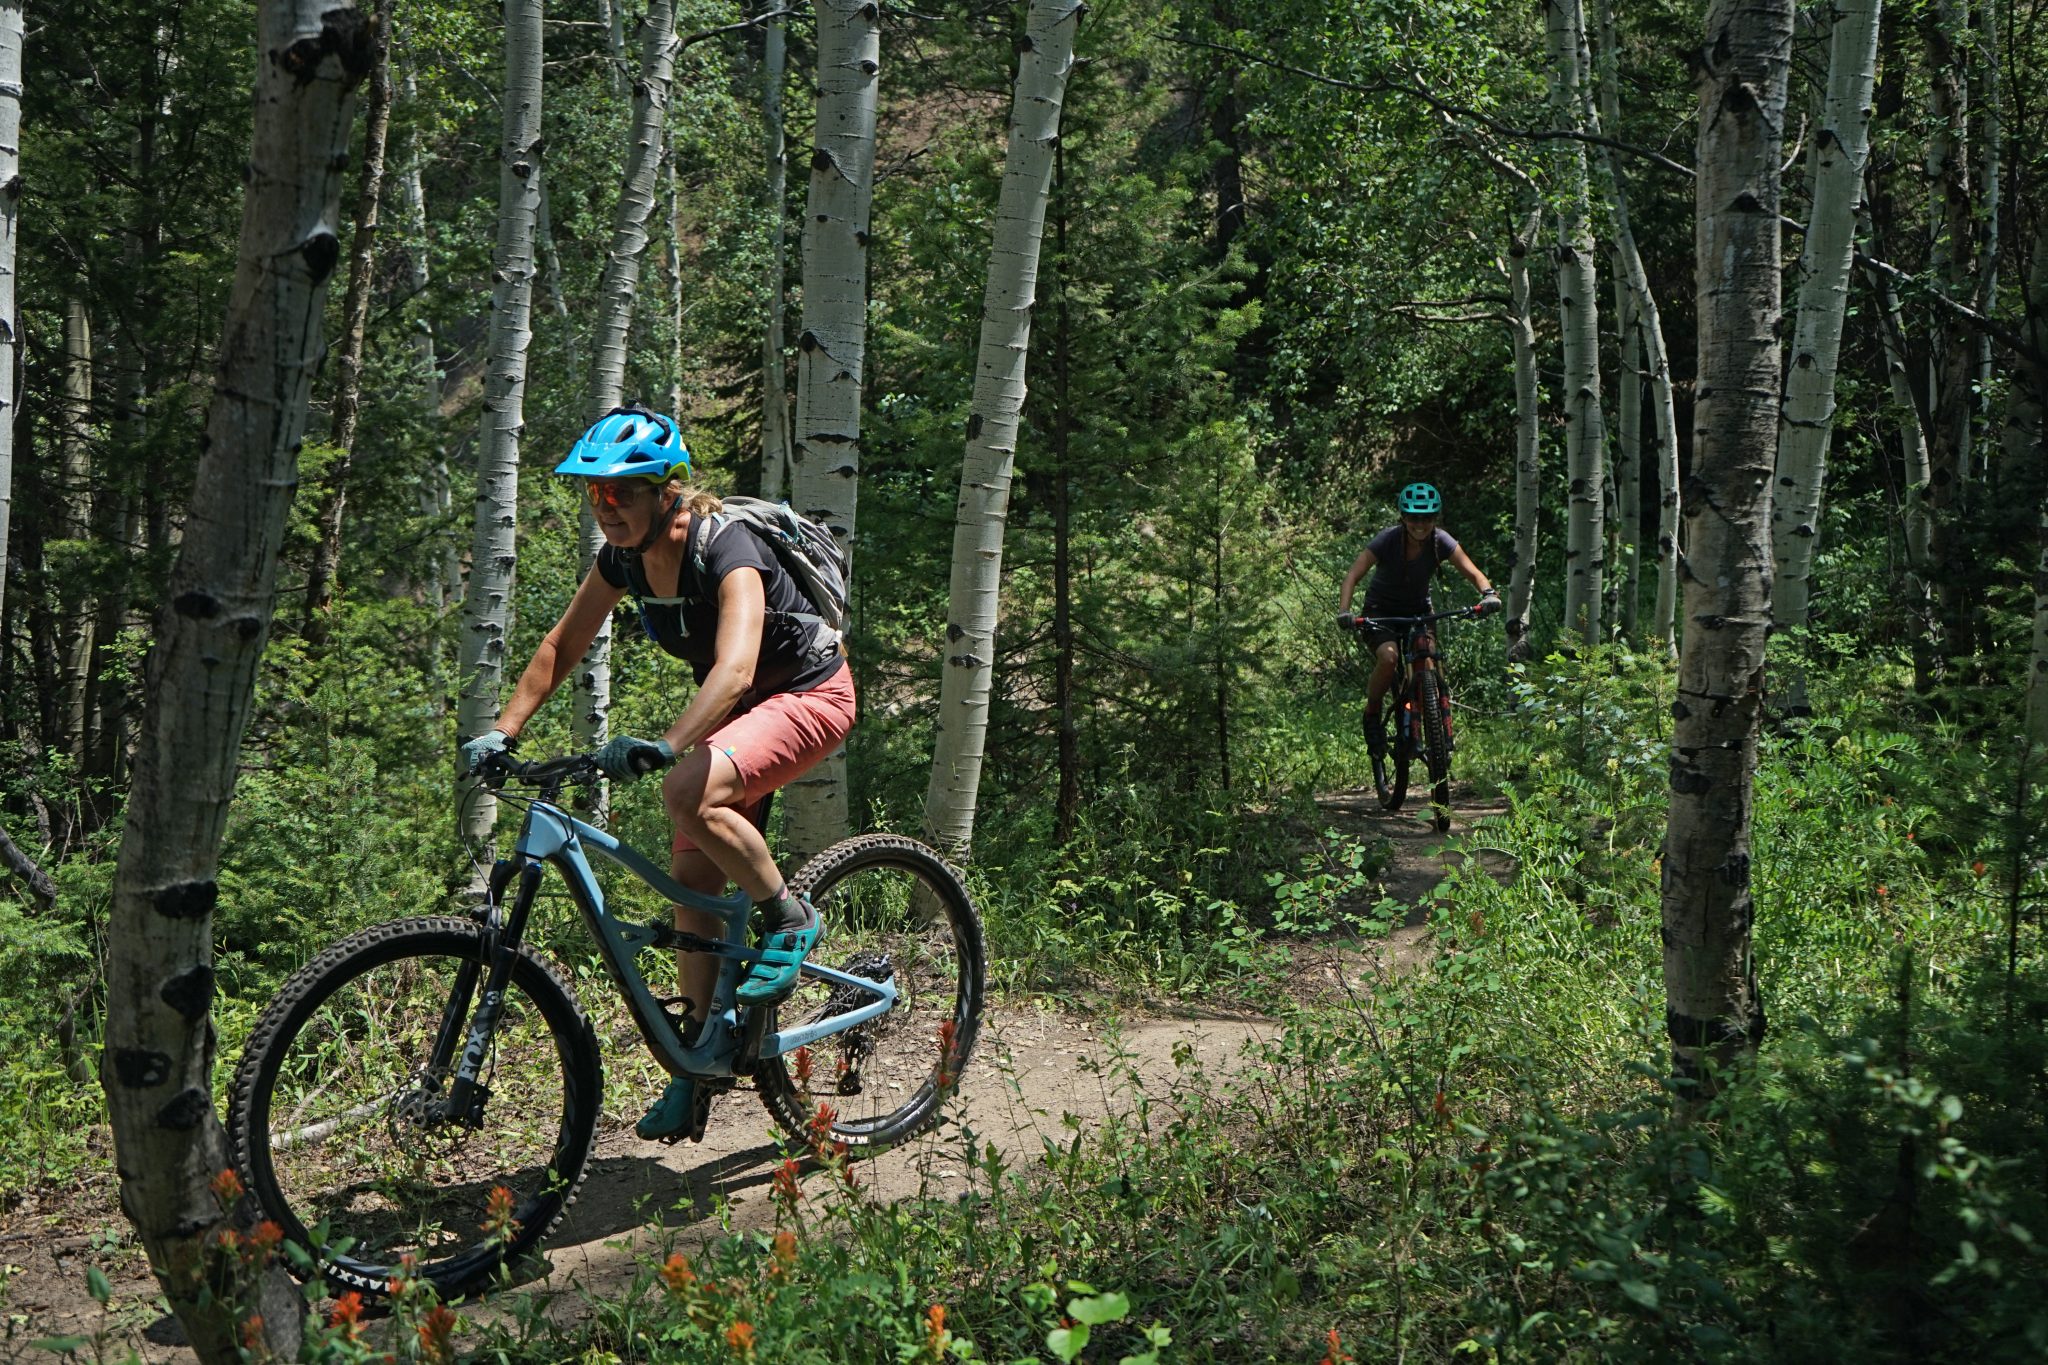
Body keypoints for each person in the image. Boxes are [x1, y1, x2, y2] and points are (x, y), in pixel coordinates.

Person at [458, 406, 855, 1141]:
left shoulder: (726, 545)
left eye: (623, 493)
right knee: (691, 890)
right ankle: (698, 1063)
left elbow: (735, 669)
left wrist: (670, 743)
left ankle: (791, 917)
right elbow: (561, 643)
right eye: (595, 495)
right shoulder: (625, 559)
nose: (607, 508)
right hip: (738, 714)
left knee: (684, 791)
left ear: (666, 489)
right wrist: (503, 729)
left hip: (808, 694)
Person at [1336, 482, 1500, 754]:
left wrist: (1489, 594)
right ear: (1403, 517)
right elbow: (1353, 575)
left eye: (1427, 518)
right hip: (1381, 611)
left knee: (1428, 654)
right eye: (1413, 517)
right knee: (1388, 658)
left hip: (1419, 611)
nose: (1420, 524)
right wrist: (1345, 611)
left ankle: (1432, 719)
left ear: (1435, 518)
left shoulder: (1441, 541)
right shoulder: (1388, 539)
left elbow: (1473, 572)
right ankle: (1372, 712)